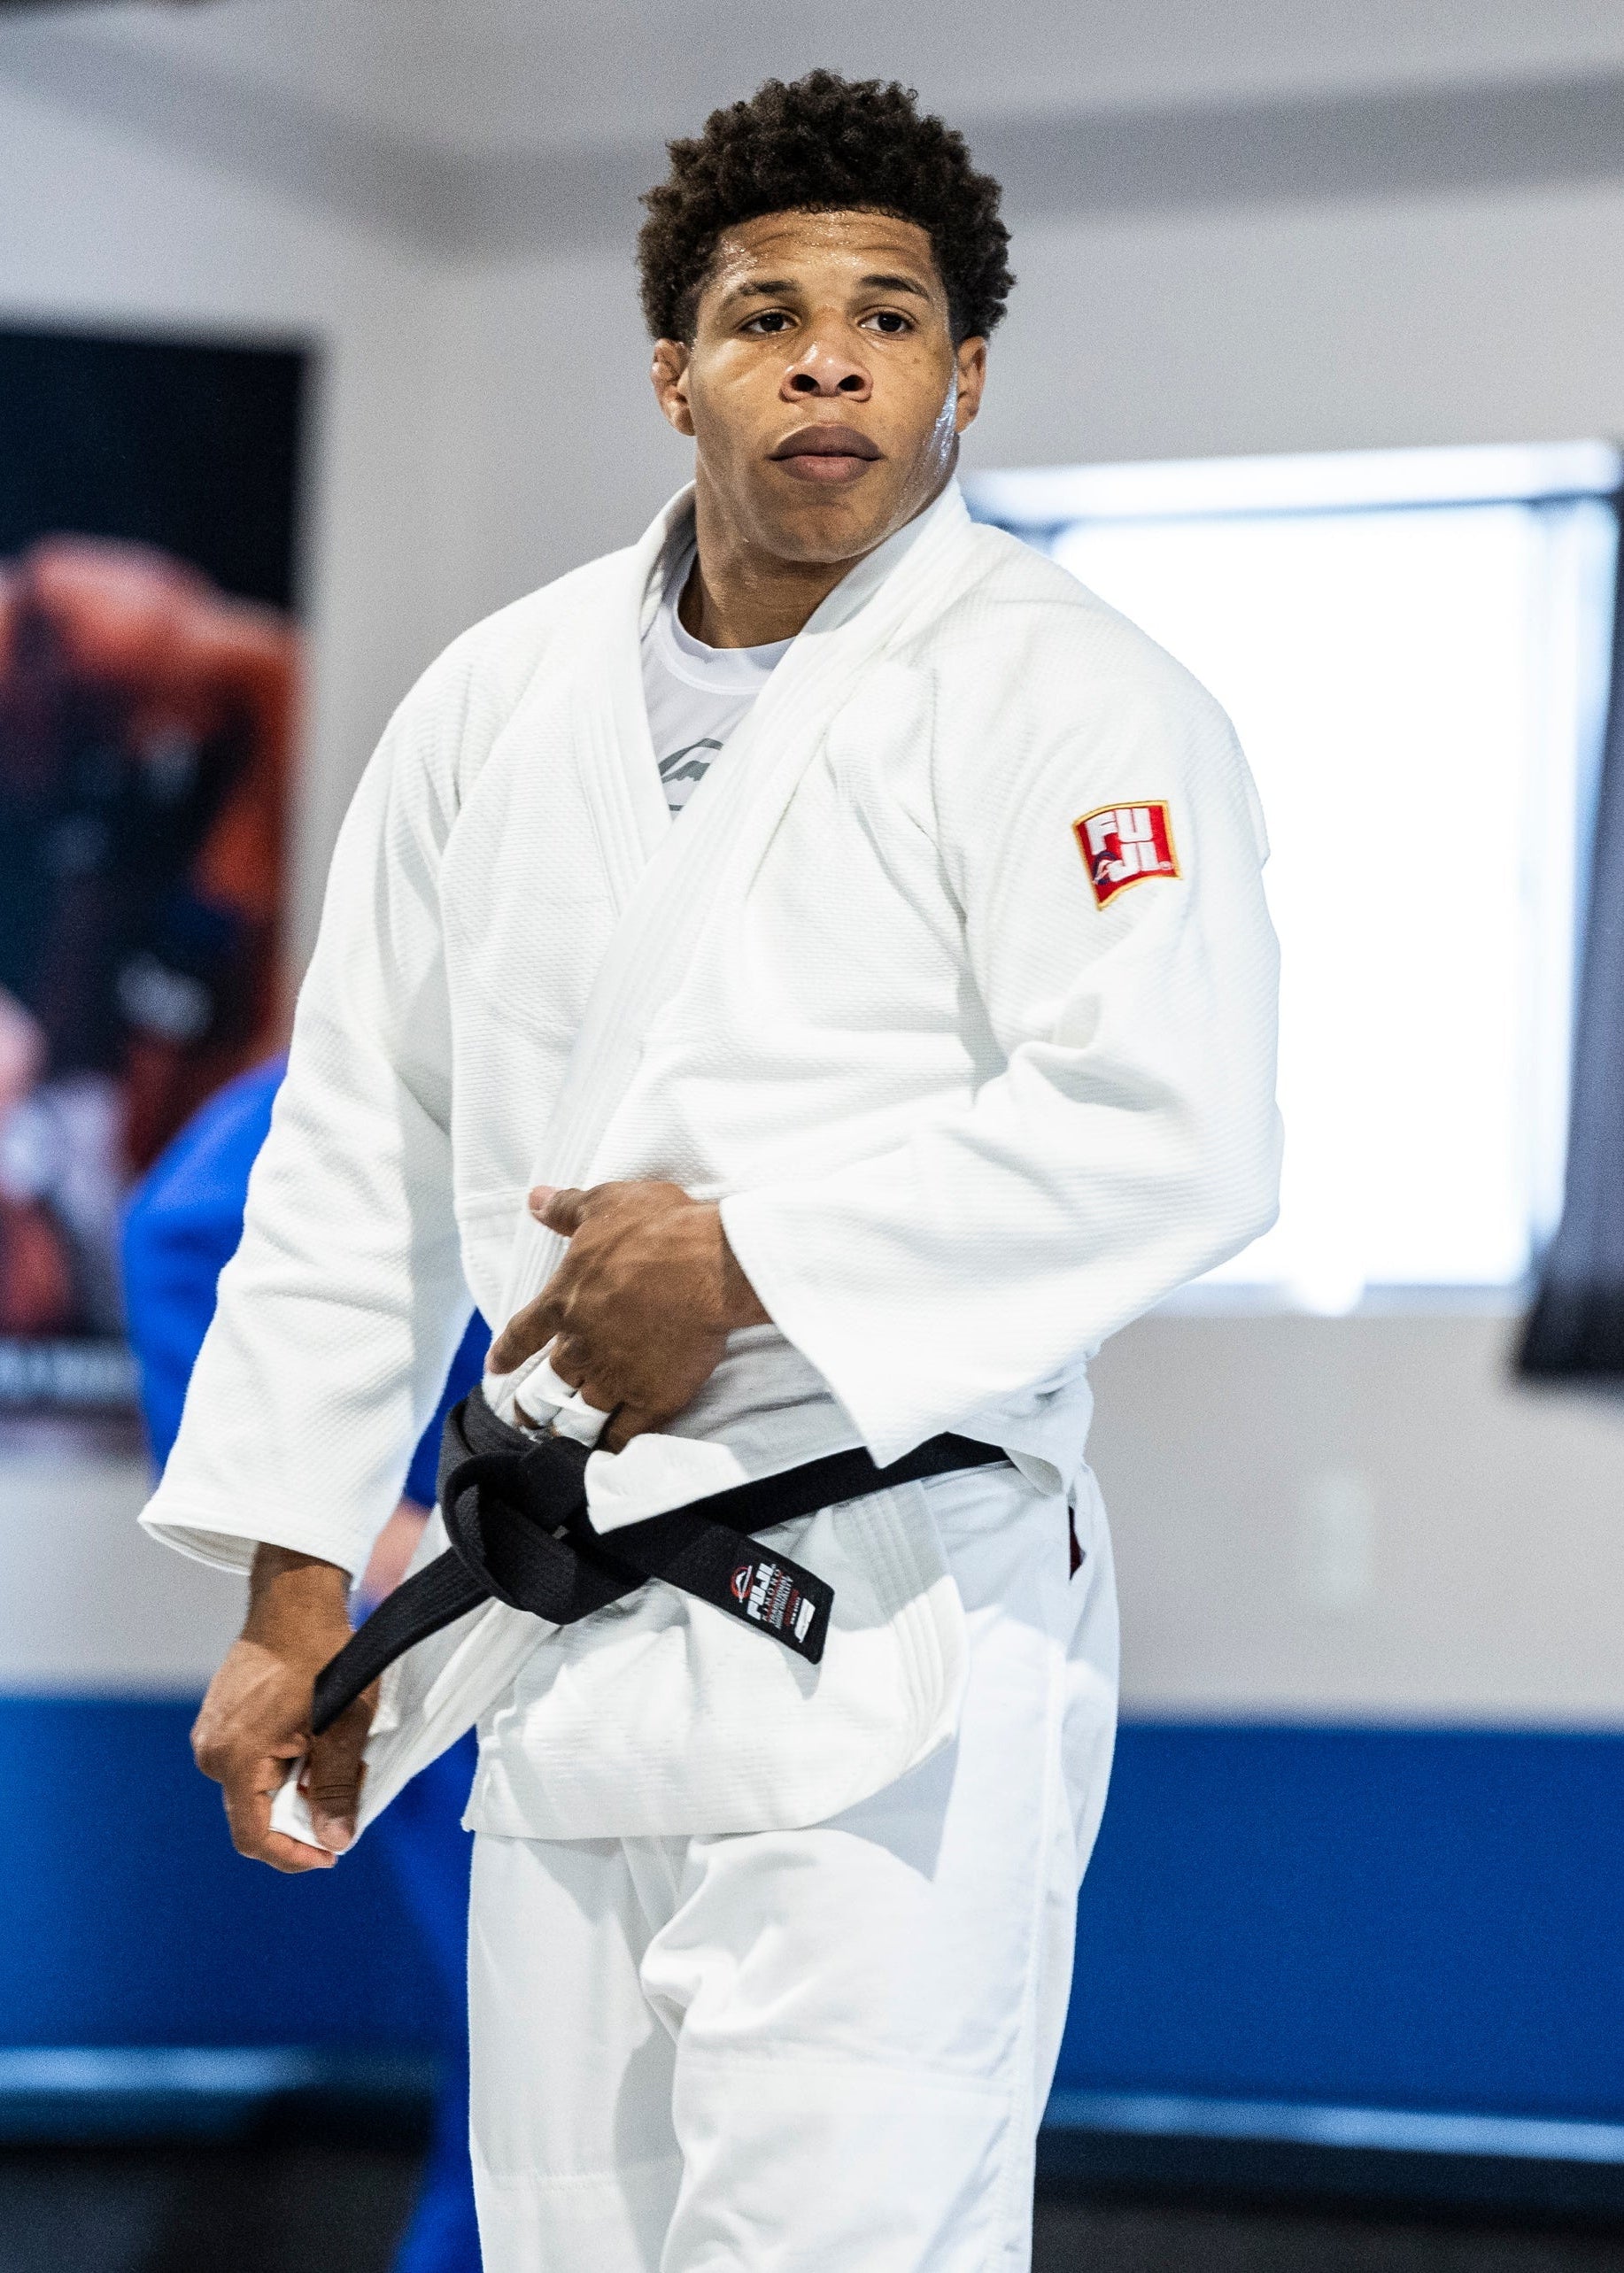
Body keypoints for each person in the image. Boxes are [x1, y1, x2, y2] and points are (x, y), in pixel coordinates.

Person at [143, 72, 1281, 2270]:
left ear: (966, 377)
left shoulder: (1069, 693)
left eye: (892, 312)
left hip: (897, 1615)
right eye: (767, 313)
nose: (831, 353)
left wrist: (750, 1263)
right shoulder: (493, 703)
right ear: (677, 371)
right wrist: (297, 1587)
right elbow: (355, 1142)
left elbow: (1175, 1118)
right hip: (569, 1647)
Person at [121, 1055, 487, 2273]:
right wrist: (353, 1528)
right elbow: (175, 1234)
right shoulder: (419, 1045)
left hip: (628, 1617)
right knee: (532, 2055)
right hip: (467, 1633)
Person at [0, 537, 293, 1336]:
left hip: (230, 844)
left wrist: (242, 872)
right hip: (147, 840)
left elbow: (275, 668)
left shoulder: (79, 620)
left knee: (177, 1018)